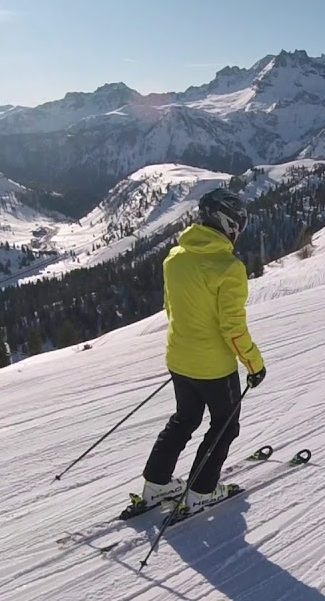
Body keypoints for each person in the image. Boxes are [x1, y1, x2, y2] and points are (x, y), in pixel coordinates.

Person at [140, 188, 267, 514]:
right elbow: (233, 328)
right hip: (214, 368)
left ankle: (155, 485)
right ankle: (201, 491)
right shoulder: (228, 267)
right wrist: (254, 364)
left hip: (178, 358)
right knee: (225, 424)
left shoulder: (175, 258)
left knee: (185, 419)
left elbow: (172, 309)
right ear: (229, 224)